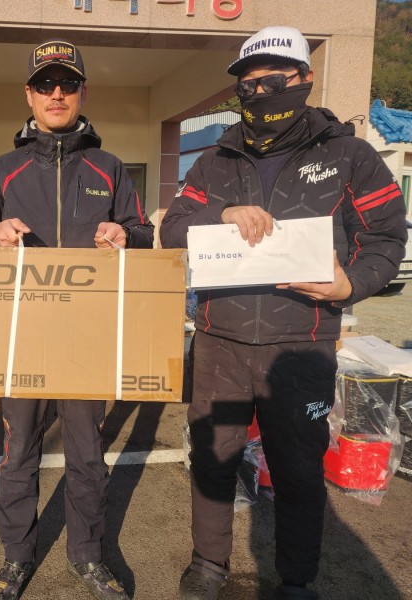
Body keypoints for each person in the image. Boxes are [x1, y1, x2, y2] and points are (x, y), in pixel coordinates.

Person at [160, 26, 408, 600]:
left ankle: (297, 578)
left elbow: (386, 238)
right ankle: (208, 564)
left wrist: (352, 283)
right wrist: (222, 214)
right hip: (219, 343)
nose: (259, 92)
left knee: (297, 471)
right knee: (213, 461)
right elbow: (172, 229)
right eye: (248, 84)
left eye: (273, 80)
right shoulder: (215, 160)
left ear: (304, 79)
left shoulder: (349, 155)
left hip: (303, 346)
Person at [0, 40, 154, 600]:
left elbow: (145, 235)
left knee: (87, 454)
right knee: (18, 454)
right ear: (30, 94)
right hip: (19, 339)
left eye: (67, 83)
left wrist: (124, 235)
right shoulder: (3, 170)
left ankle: (87, 555)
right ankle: (17, 557)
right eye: (46, 84)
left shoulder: (110, 168)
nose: (57, 93)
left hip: (87, 339)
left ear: (83, 92)